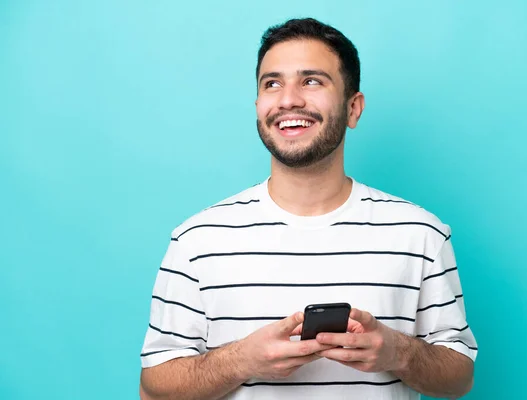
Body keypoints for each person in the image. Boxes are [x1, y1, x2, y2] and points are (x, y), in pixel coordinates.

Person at [139, 17, 478, 400]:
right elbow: (153, 390)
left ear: (353, 108)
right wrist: (241, 361)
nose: (288, 100)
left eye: (312, 81)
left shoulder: (420, 234)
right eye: (272, 83)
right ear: (258, 107)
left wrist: (398, 353)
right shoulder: (196, 240)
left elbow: (459, 378)